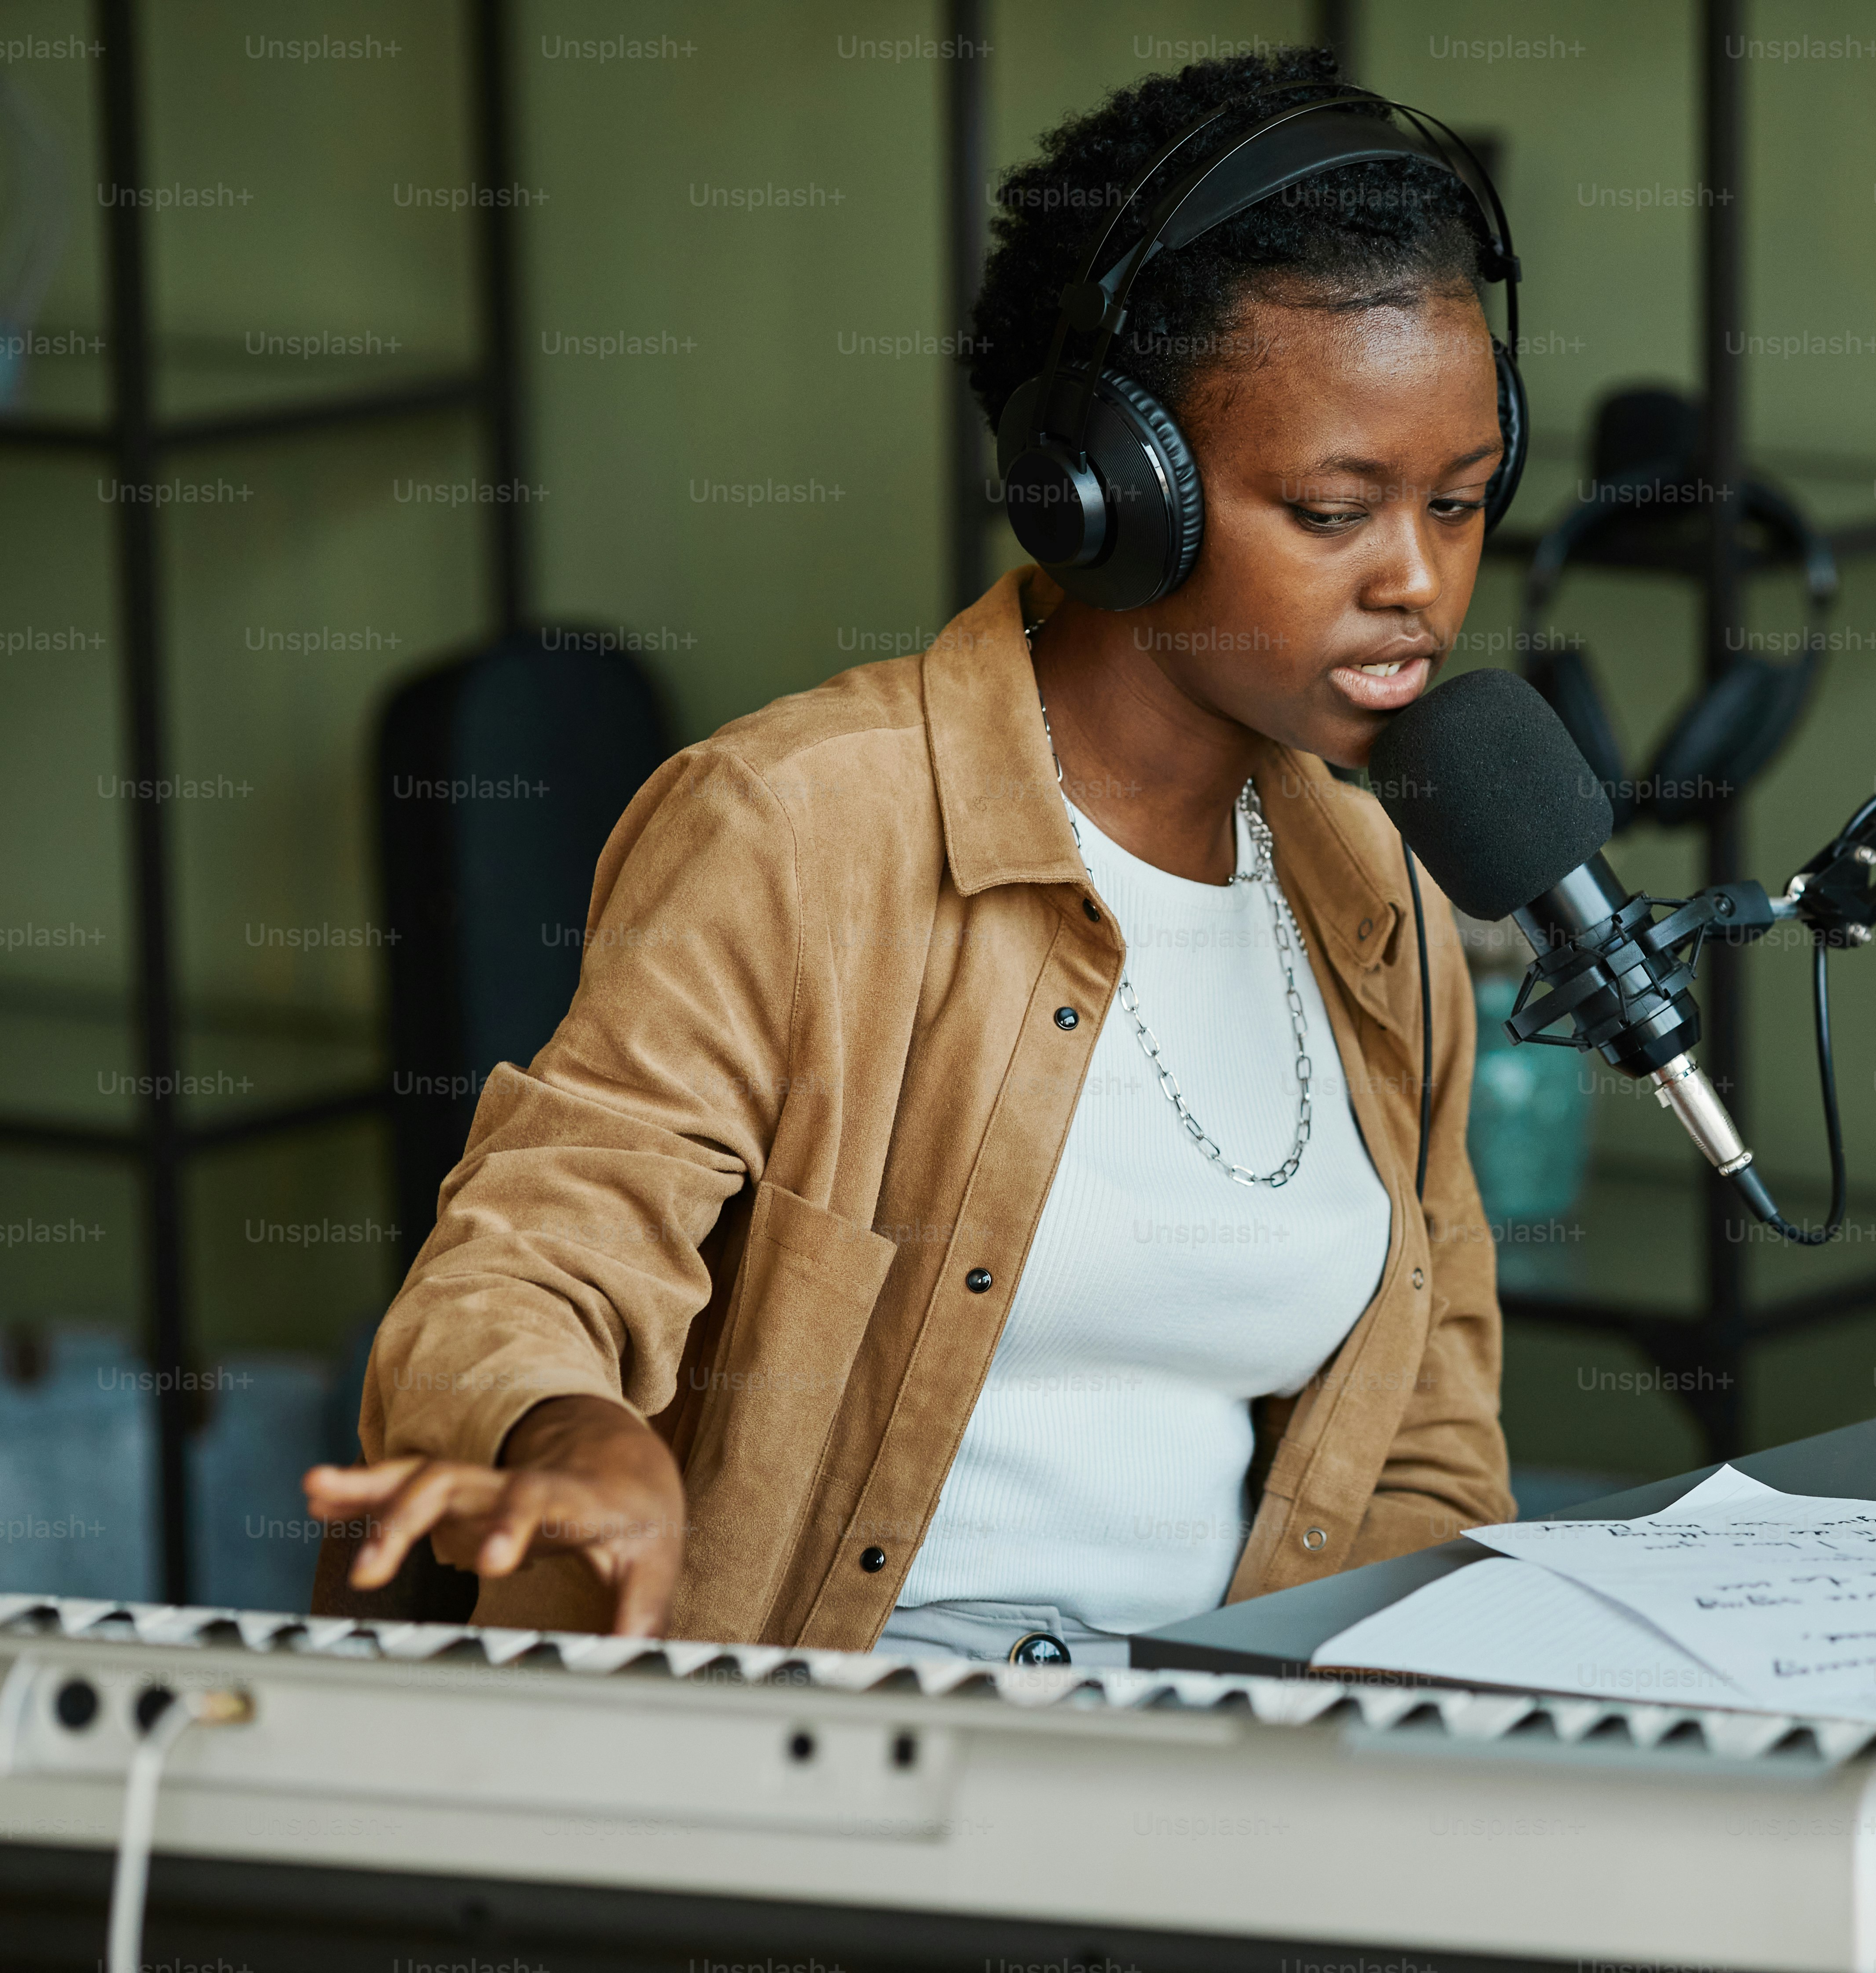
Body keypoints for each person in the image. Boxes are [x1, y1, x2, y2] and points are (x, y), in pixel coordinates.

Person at [303, 48, 1517, 1664]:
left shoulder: (1385, 900)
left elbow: (1430, 1437)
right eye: (1333, 510)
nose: (1420, 583)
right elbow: (531, 1255)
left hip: (1224, 1790)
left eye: (1463, 501)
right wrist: (564, 1436)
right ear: (1110, 492)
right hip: (831, 1768)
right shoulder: (801, 827)